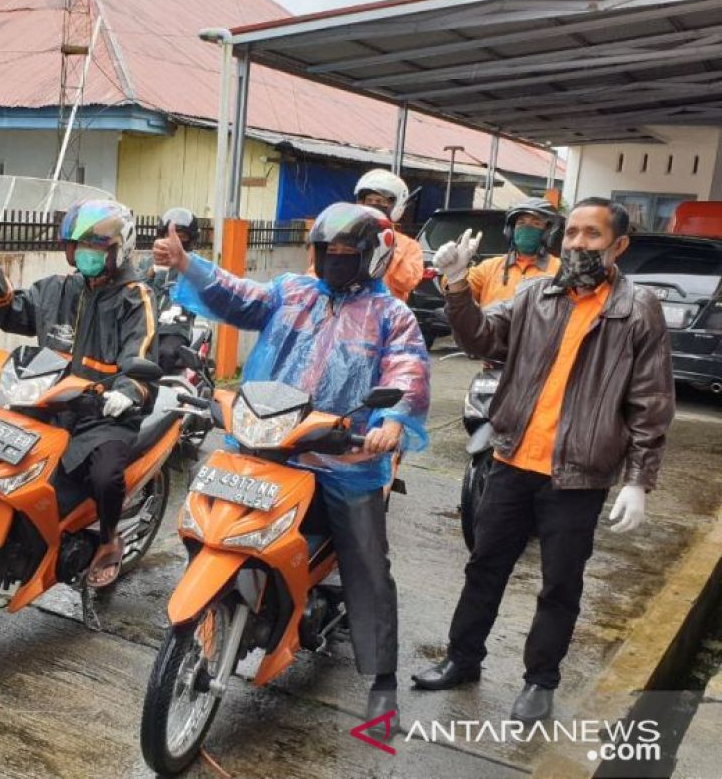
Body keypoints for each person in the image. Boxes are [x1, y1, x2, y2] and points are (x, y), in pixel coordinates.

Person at [154, 201, 430, 728]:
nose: (335, 262)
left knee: (367, 565)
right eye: (327, 252)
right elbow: (238, 296)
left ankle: (382, 681)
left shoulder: (392, 314)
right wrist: (188, 264)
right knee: (212, 524)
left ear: (371, 257)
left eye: (347, 254)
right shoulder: (291, 291)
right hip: (264, 442)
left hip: (342, 458)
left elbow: (409, 368)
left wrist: (392, 418)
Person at [412, 198, 674, 723]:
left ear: (619, 245)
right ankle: (463, 659)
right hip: (512, 460)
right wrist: (458, 284)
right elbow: (479, 337)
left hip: (577, 477)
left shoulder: (636, 308)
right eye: (572, 233)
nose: (577, 243)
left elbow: (650, 400)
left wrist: (638, 481)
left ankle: (539, 681)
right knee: (484, 567)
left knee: (560, 584)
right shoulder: (535, 295)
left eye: (592, 235)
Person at [0, 199, 158, 588]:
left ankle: (108, 539)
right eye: (79, 246)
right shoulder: (56, 289)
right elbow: (14, 313)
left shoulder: (134, 297)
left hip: (105, 414)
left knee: (106, 476)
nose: (85, 254)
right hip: (49, 403)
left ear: (117, 250)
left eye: (96, 247)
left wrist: (125, 391)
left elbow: (140, 353)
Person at [452, 197, 563, 307]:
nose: (527, 228)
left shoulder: (559, 270)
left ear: (547, 233)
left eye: (536, 223)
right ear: (511, 231)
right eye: (521, 223)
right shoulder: (490, 268)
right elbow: (458, 295)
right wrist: (455, 273)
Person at [355, 169, 424, 302]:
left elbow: (408, 283)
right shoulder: (347, 237)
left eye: (381, 201)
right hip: (348, 314)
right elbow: (320, 274)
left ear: (396, 205)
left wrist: (388, 247)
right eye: (370, 200)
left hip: (387, 317)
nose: (374, 205)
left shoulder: (409, 246)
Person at [145, 207, 200, 374]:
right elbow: (134, 288)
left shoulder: (194, 265)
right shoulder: (149, 262)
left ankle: (160, 394)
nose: (174, 241)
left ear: (190, 240)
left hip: (176, 328)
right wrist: (152, 272)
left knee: (165, 353)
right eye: (169, 236)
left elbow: (202, 290)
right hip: (146, 324)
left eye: (181, 237)